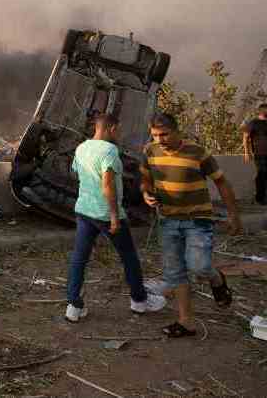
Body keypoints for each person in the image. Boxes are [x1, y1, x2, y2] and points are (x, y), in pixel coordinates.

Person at [141, 112, 243, 338]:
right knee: (175, 272)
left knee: (199, 267)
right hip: (167, 220)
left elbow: (222, 182)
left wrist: (233, 215)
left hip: (197, 220)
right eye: (155, 135)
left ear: (177, 131)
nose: (160, 140)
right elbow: (146, 180)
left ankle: (216, 279)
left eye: (164, 134)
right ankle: (186, 322)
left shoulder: (198, 152)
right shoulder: (150, 151)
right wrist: (147, 194)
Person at [65, 114, 166, 322]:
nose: (117, 133)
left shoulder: (81, 147)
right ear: (111, 128)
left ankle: (73, 306)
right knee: (128, 257)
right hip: (105, 213)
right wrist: (113, 217)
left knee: (79, 259)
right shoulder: (110, 151)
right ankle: (139, 301)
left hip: (84, 211)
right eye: (117, 129)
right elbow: (108, 185)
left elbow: (76, 173)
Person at [242, 103, 267, 205]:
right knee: (261, 174)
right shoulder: (254, 123)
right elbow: (245, 137)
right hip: (259, 154)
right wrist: (247, 152)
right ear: (262, 110)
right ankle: (260, 198)